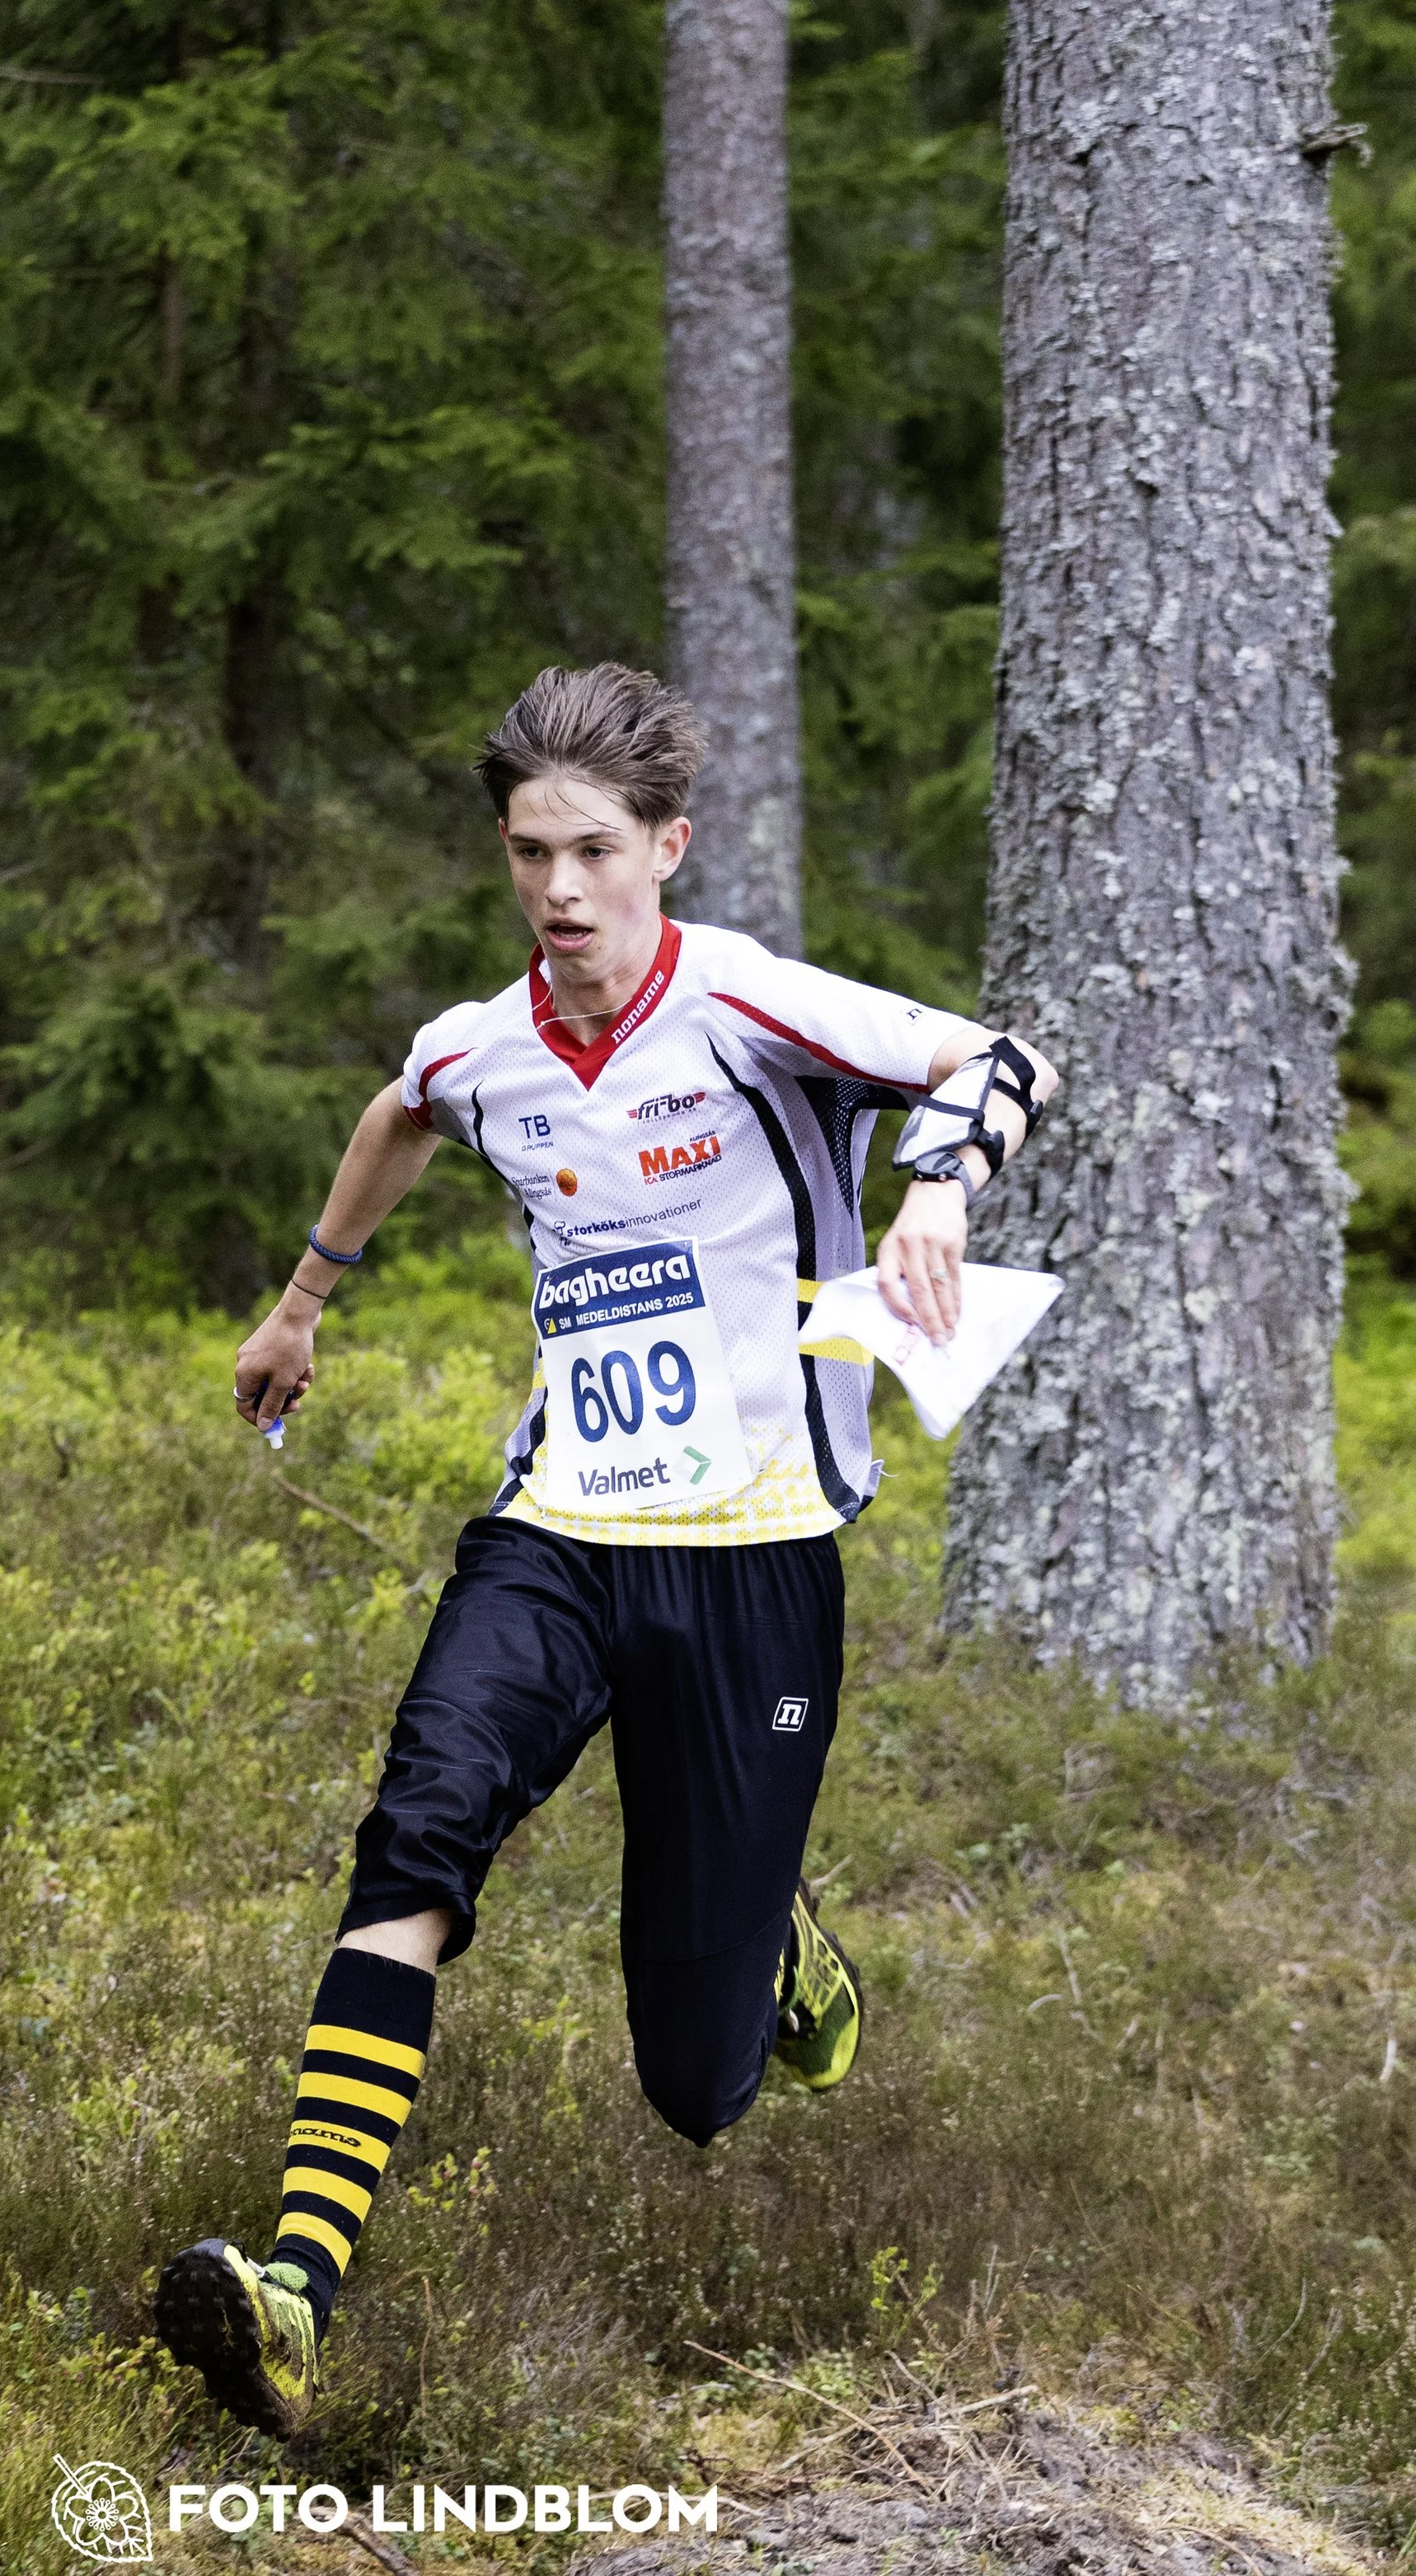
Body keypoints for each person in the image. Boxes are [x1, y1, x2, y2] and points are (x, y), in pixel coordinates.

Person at [152, 664, 1058, 2438]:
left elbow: (995, 1053)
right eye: (524, 854)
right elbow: (400, 1108)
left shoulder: (743, 1007)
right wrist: (300, 1300)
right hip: (556, 1525)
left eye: (590, 851)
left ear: (665, 845)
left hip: (750, 1554)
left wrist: (936, 1181)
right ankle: (291, 2295)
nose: (558, 889)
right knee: (416, 1834)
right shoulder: (482, 1041)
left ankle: (770, 1934)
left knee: (695, 2078)